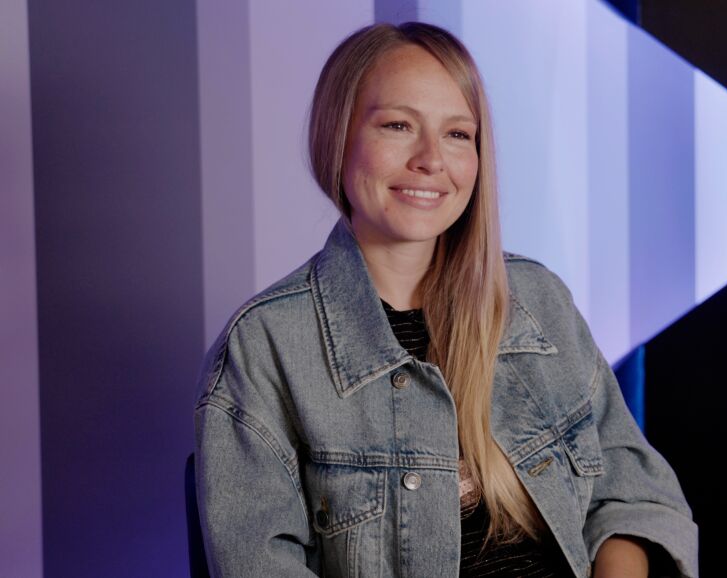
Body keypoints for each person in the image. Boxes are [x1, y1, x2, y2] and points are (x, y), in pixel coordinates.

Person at [194, 21, 698, 578]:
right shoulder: (263, 347)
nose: (431, 159)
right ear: (337, 137)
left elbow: (634, 496)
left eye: (458, 134)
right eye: (398, 125)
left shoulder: (539, 300)